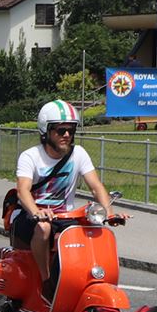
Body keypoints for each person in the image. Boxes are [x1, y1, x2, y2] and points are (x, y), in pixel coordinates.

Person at [12, 100, 119, 296]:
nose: (67, 135)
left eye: (71, 130)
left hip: (64, 217)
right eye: (61, 130)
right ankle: (46, 282)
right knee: (44, 228)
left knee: (89, 232)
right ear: (46, 131)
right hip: (29, 215)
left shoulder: (78, 153)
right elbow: (23, 190)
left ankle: (77, 282)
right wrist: (36, 211)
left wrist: (109, 213)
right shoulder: (30, 156)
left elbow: (96, 186)